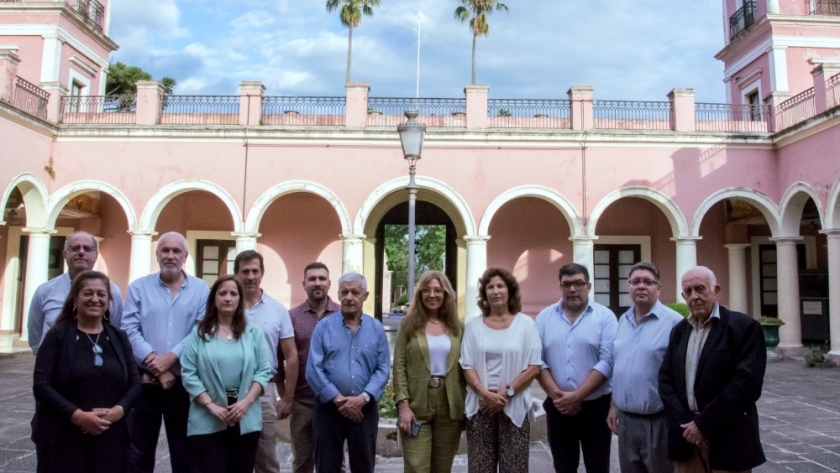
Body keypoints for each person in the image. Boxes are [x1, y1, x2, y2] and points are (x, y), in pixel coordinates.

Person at [659, 266, 766, 473]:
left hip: (729, 439)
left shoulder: (743, 327)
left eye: (700, 289)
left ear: (716, 290)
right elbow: (665, 380)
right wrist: (687, 424)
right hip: (686, 439)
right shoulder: (680, 331)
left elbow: (746, 385)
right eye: (688, 292)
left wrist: (703, 425)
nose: (694, 296)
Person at [32, 270, 140, 473]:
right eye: (88, 293)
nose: (95, 299)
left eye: (101, 294)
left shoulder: (119, 337)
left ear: (109, 301)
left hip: (112, 437)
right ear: (75, 299)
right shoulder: (57, 336)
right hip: (64, 437)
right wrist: (77, 416)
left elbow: (135, 382)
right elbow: (41, 386)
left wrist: (119, 411)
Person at [122, 232, 210, 473]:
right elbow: (129, 328)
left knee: (184, 453)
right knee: (138, 452)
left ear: (185, 256)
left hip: (184, 383)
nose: (170, 255)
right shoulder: (139, 287)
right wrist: (156, 365)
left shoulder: (201, 289)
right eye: (165, 250)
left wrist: (171, 359)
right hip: (145, 381)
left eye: (176, 251)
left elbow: (201, 329)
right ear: (157, 254)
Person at [180, 275, 272, 473]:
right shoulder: (199, 333)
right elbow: (188, 372)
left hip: (245, 414)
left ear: (240, 299)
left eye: (233, 293)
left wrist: (245, 403)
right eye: (222, 293)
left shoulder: (253, 333)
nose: (227, 298)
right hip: (208, 415)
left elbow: (264, 370)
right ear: (214, 299)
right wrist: (211, 406)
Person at [536, 262, 617, 473]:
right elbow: (538, 360)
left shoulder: (605, 317)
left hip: (596, 407)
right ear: (560, 287)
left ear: (588, 286)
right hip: (558, 407)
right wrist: (561, 398)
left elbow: (607, 361)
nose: (572, 289)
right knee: (563, 467)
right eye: (567, 284)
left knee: (598, 467)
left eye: (578, 283)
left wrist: (577, 396)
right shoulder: (544, 317)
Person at [305, 272, 390, 473]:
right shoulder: (323, 327)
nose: (349, 297)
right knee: (327, 466)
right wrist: (338, 400)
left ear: (365, 296)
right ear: (338, 294)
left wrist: (363, 398)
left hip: (364, 410)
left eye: (355, 292)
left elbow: (382, 368)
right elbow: (313, 369)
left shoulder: (376, 328)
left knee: (364, 466)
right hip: (328, 409)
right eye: (344, 292)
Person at [460, 267, 542, 473]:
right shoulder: (473, 325)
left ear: (510, 291)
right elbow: (467, 364)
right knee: (480, 468)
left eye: (500, 286)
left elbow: (534, 367)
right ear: (485, 293)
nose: (495, 291)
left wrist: (505, 394)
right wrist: (485, 394)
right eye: (490, 287)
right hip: (481, 407)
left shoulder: (526, 324)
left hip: (514, 406)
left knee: (514, 468)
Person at [607, 262, 683, 473]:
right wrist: (614, 406)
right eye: (635, 282)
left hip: (658, 422)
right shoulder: (623, 320)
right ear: (629, 287)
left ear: (658, 288)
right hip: (627, 422)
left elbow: (681, 375)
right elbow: (620, 367)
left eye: (648, 282)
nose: (641, 286)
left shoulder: (674, 323)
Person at [393, 270, 466, 473]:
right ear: (419, 294)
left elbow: (468, 366)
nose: (431, 295)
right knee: (416, 466)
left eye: (437, 290)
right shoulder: (408, 326)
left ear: (446, 294)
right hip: (417, 404)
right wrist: (403, 405)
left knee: (442, 468)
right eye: (426, 290)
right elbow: (399, 365)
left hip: (450, 405)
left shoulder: (458, 328)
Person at [233, 250, 298, 473]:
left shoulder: (277, 310)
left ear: (262, 273)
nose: (250, 276)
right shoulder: (225, 305)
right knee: (229, 452)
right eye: (245, 272)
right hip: (227, 389)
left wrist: (287, 397)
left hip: (264, 391)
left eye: (255, 271)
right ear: (236, 274)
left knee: (266, 455)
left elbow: (290, 355)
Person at [282, 262, 341, 473]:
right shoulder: (291, 317)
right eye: (312, 279)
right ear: (304, 284)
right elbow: (283, 359)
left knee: (335, 463)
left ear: (329, 283)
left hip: (336, 402)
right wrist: (286, 397)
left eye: (322, 278)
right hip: (303, 402)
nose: (317, 283)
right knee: (302, 463)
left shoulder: (343, 315)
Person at [28, 231, 123, 355]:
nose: (81, 252)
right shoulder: (45, 291)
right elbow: (35, 332)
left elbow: (114, 327)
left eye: (87, 248)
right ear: (65, 254)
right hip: (53, 364)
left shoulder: (111, 291)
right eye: (75, 248)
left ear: (95, 255)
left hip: (94, 362)